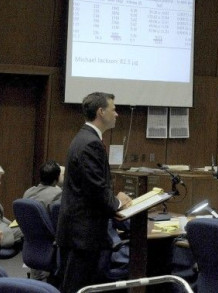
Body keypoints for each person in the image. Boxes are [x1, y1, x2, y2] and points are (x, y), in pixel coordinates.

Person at [56, 92, 132, 293]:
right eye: (113, 109)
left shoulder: (84, 138)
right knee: (79, 287)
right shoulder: (90, 143)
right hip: (83, 235)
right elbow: (95, 188)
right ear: (101, 111)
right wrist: (117, 202)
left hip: (79, 232)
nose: (117, 114)